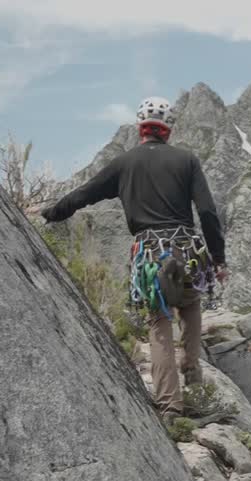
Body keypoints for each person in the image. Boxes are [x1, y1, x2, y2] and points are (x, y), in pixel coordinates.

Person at [41, 97, 227, 419]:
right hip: (188, 248)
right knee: (190, 301)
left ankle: (169, 404)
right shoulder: (187, 160)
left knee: (159, 321)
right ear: (168, 129)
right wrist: (219, 258)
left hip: (151, 254)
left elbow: (83, 194)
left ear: (140, 128)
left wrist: (49, 213)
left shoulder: (124, 164)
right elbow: (208, 211)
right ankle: (192, 369)